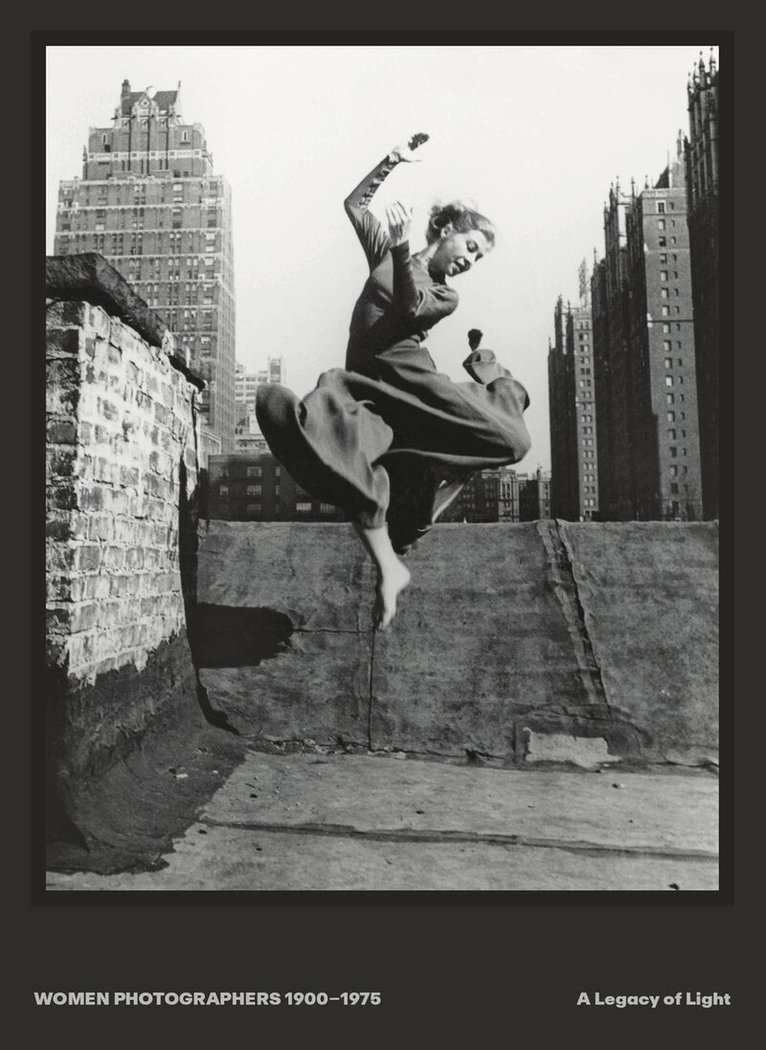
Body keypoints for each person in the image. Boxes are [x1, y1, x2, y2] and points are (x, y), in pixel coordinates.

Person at [256, 134, 531, 630]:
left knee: (511, 439)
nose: (470, 261)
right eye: (471, 247)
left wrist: (403, 247)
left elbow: (410, 309)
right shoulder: (386, 253)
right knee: (337, 458)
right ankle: (390, 569)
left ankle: (491, 384)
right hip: (366, 385)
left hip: (411, 377)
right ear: (447, 228)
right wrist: (391, 161)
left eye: (478, 259)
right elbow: (354, 205)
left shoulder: (445, 295)